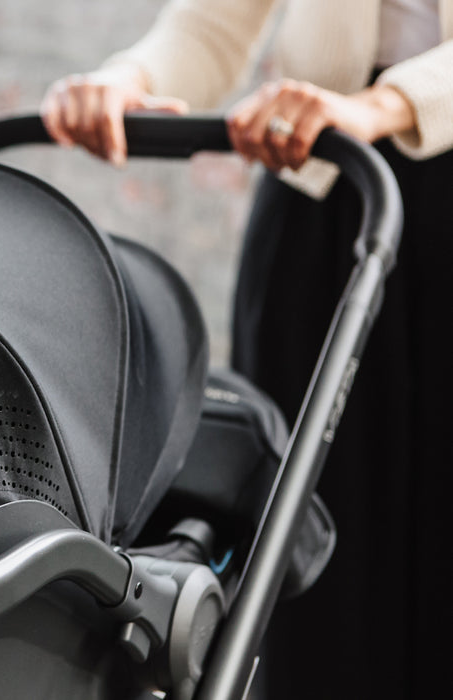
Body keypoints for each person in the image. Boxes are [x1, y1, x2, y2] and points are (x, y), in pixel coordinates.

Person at [40, 1, 453, 697]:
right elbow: (213, 23)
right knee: (307, 529)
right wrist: (128, 77)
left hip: (382, 138)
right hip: (322, 187)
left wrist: (385, 105)